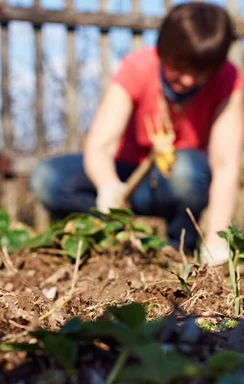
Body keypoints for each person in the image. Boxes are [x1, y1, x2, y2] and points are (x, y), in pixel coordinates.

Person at [30, 2, 243, 265]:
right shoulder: (139, 67)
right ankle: (115, 240)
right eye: (179, 66)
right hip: (126, 176)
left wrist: (216, 241)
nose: (187, 80)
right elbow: (100, 146)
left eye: (199, 72)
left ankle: (178, 248)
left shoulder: (228, 79)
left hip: (174, 182)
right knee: (48, 178)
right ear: (163, 51)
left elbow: (225, 166)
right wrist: (108, 186)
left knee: (187, 170)